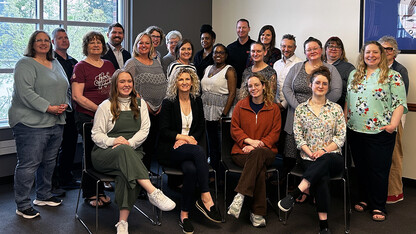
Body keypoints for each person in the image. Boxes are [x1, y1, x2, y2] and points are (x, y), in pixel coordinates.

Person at [91, 69, 175, 234]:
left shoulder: (141, 103)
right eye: (122, 81)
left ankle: (122, 222)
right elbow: (96, 134)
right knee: (124, 153)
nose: (126, 85)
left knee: (126, 172)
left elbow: (145, 130)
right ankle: (152, 191)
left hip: (132, 151)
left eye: (129, 81)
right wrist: (113, 140)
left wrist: (128, 144)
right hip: (104, 154)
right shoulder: (105, 106)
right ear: (115, 84)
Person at [278, 66, 346, 234]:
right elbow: (298, 138)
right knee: (321, 177)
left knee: (326, 160)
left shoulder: (336, 109)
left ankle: (296, 193)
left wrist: (323, 151)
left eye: (324, 83)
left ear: (328, 87)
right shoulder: (301, 109)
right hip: (308, 157)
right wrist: (310, 152)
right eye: (317, 83)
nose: (321, 86)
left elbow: (340, 137)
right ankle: (324, 226)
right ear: (310, 85)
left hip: (333, 157)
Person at [10, 30, 70, 219]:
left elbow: (65, 87)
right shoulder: (25, 64)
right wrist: (48, 107)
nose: (43, 43)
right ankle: (23, 204)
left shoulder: (55, 62)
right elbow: (25, 93)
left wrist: (66, 104)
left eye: (46, 40)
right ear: (32, 43)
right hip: (30, 123)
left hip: (55, 121)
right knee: (29, 165)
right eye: (39, 40)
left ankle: (43, 195)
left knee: (49, 162)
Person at [345, 41, 407, 222]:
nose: (371, 55)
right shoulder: (354, 74)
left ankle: (378, 205)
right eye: (367, 52)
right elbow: (349, 100)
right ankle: (364, 198)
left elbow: (400, 103)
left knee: (379, 169)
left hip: (380, 131)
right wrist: (344, 119)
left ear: (381, 54)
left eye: (375, 52)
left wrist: (392, 125)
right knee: (362, 168)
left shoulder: (392, 75)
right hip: (356, 129)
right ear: (362, 55)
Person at [158, 68, 222, 233]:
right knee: (199, 152)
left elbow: (200, 126)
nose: (185, 82)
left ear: (192, 81)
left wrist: (190, 140)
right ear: (175, 83)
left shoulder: (196, 100)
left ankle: (184, 215)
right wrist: (183, 138)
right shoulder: (168, 102)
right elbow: (164, 130)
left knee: (191, 169)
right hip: (171, 149)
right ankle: (205, 195)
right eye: (181, 79)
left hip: (189, 149)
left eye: (188, 79)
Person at [282, 37, 342, 190]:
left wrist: (319, 107)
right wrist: (301, 108)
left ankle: (314, 190)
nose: (312, 51)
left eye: (315, 48)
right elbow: (286, 88)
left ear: (321, 50)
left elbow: (336, 92)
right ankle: (300, 189)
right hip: (296, 115)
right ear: (304, 52)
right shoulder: (296, 68)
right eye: (309, 49)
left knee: (317, 157)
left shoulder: (331, 69)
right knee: (293, 155)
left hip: (322, 120)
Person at [227, 73, 281, 227]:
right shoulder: (241, 105)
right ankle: (257, 214)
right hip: (242, 151)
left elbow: (275, 133)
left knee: (258, 156)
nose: (253, 88)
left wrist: (258, 145)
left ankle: (241, 194)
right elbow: (234, 129)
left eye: (257, 85)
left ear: (264, 86)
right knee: (260, 169)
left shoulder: (273, 108)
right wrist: (249, 142)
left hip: (266, 151)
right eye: (250, 86)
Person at [71, 31, 115, 207]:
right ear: (86, 46)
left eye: (99, 42)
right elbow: (77, 96)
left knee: (103, 153)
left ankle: (101, 190)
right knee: (90, 154)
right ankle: (90, 193)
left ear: (103, 46)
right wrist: (100, 110)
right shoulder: (80, 67)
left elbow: (114, 90)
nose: (96, 45)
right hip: (87, 116)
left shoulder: (109, 65)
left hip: (108, 117)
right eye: (92, 43)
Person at [124, 32, 167, 171]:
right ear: (136, 45)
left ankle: (146, 176)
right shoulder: (132, 63)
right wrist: (144, 104)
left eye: (147, 43)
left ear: (151, 46)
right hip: (139, 110)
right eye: (140, 42)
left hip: (157, 111)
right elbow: (127, 85)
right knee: (141, 146)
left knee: (150, 147)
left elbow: (162, 83)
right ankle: (138, 179)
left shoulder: (156, 62)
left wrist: (159, 103)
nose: (144, 45)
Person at [378, 36, 409, 204]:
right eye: (381, 48)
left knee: (394, 156)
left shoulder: (400, 70)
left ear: (395, 52)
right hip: (378, 121)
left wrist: (393, 122)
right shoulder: (375, 68)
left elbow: (401, 99)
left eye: (388, 49)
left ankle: (394, 192)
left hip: (393, 121)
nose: (385, 52)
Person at [51, 27, 80, 191]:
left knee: (70, 145)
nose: (64, 40)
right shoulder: (50, 61)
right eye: (60, 38)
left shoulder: (73, 62)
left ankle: (66, 177)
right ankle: (53, 182)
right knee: (53, 148)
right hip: (55, 109)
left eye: (66, 38)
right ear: (53, 42)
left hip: (71, 110)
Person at [201, 43, 237, 173]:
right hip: (206, 111)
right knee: (210, 144)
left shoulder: (229, 70)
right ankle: (211, 173)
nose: (218, 55)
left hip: (221, 112)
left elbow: (232, 93)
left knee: (221, 146)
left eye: (221, 53)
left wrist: (224, 114)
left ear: (226, 55)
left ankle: (221, 176)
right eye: (215, 52)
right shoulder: (207, 68)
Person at [273, 34, 302, 156]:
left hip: (290, 107)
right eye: (283, 46)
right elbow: (275, 86)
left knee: (287, 139)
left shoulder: (300, 63)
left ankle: (288, 170)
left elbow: (295, 88)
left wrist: (283, 105)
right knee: (276, 138)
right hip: (275, 106)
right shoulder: (276, 64)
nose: (286, 49)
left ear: (295, 48)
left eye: (289, 47)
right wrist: (275, 104)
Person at [324, 36, 355, 107]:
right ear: (325, 49)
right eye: (331, 46)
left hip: (340, 107)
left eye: (338, 47)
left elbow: (353, 91)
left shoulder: (349, 68)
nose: (334, 49)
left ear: (341, 51)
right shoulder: (318, 66)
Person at [227, 19, 255, 88]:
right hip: (233, 86)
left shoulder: (255, 46)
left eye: (244, 27)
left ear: (249, 29)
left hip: (251, 86)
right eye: (239, 27)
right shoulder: (230, 48)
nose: (241, 30)